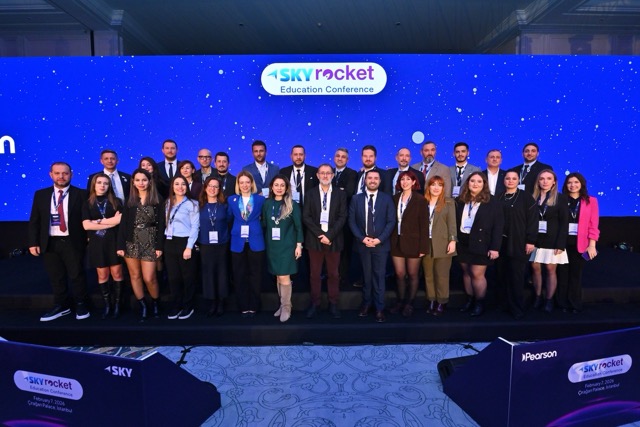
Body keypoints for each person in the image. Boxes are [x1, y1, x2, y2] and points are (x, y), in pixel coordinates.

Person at [28, 162, 90, 321]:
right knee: (56, 276)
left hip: (73, 241)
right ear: (51, 175)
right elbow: (35, 221)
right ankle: (61, 305)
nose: (61, 176)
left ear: (71, 174)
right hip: (50, 241)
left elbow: (88, 218)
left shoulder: (82, 194)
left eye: (65, 173)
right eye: (57, 173)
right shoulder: (41, 195)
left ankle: (81, 304)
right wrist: (33, 242)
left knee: (77, 274)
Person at [117, 169, 165, 321]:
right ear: (133, 182)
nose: (141, 183)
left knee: (149, 277)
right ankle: (143, 305)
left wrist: (159, 246)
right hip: (131, 242)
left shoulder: (157, 199)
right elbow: (123, 225)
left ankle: (156, 303)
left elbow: (161, 225)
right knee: (135, 275)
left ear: (149, 181)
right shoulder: (130, 200)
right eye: (137, 180)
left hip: (150, 241)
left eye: (144, 180)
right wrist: (120, 246)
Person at [349, 169, 395, 323]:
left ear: (380, 181)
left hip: (381, 245)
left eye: (376, 178)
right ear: (365, 180)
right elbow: (352, 221)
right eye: (370, 178)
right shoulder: (356, 199)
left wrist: (379, 239)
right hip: (363, 245)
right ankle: (366, 304)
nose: (373, 180)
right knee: (367, 276)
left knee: (379, 277)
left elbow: (391, 221)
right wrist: (362, 238)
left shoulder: (387, 199)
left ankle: (380, 308)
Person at [455, 171, 504, 316]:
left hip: (482, 242)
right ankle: (470, 300)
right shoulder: (460, 200)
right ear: (467, 183)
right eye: (472, 181)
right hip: (463, 241)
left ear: (484, 184)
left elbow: (498, 226)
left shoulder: (492, 201)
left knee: (477, 274)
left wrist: (495, 247)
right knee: (466, 273)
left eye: (479, 181)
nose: (475, 184)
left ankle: (479, 302)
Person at [302, 164, 347, 319]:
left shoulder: (340, 194)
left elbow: (343, 216)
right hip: (315, 240)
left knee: (333, 274)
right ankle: (315, 303)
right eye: (322, 173)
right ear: (317, 175)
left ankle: (333, 303)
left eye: (328, 173)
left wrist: (330, 235)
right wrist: (321, 235)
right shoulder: (310, 194)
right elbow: (306, 217)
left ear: (333, 176)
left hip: (334, 240)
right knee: (314, 274)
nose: (325, 176)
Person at [495, 171, 538, 319]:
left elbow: (533, 220)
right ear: (504, 181)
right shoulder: (498, 197)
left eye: (514, 178)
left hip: (518, 242)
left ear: (518, 180)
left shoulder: (526, 197)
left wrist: (531, 240)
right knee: (502, 275)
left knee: (516, 276)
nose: (510, 181)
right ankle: (503, 304)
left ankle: (517, 308)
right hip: (500, 243)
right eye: (508, 178)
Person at [262, 175, 304, 322]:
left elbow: (299, 227)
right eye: (276, 185)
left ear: (286, 188)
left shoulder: (292, 204)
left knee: (284, 276)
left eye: (282, 185)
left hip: (287, 246)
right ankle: (283, 304)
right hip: (272, 246)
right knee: (278, 276)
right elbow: (264, 224)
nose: (279, 188)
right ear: (271, 187)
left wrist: (299, 245)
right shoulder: (267, 204)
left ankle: (286, 307)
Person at [82, 173, 124, 319]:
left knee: (117, 273)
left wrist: (97, 222)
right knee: (103, 274)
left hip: (114, 241)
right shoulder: (87, 203)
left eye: (105, 183)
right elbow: (86, 225)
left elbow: (120, 221)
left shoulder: (116, 202)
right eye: (99, 182)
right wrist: (110, 222)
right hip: (97, 243)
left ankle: (117, 304)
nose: (102, 186)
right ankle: (107, 305)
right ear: (94, 184)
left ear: (109, 186)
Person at [557, 172, 599, 313]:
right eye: (569, 182)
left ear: (581, 184)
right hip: (562, 243)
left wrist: (592, 245)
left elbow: (593, 225)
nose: (573, 185)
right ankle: (562, 303)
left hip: (580, 244)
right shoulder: (560, 199)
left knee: (575, 275)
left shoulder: (591, 201)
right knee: (562, 274)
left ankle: (574, 304)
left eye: (576, 182)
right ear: (565, 185)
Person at [389, 171, 429, 317]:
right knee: (400, 274)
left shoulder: (420, 200)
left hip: (414, 243)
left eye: (408, 179)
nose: (405, 182)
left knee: (412, 274)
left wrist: (423, 247)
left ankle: (409, 303)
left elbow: (424, 225)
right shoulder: (394, 198)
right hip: (396, 241)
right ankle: (400, 301)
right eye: (402, 179)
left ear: (413, 182)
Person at [529, 169, 569, 313]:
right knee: (535, 269)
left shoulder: (560, 198)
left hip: (552, 240)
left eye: (548, 178)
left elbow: (564, 223)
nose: (545, 181)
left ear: (554, 182)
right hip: (535, 239)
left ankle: (549, 300)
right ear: (538, 181)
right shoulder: (532, 197)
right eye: (542, 178)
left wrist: (560, 244)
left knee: (550, 270)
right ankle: (538, 297)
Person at [227, 170, 266, 317]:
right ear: (238, 184)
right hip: (237, 241)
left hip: (256, 240)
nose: (244, 185)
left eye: (247, 182)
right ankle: (243, 305)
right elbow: (229, 218)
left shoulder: (260, 200)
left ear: (252, 184)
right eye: (241, 182)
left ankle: (254, 305)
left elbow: (264, 218)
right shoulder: (232, 200)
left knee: (256, 275)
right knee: (240, 275)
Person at [164, 175, 200, 320]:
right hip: (169, 242)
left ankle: (188, 306)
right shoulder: (168, 202)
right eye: (177, 184)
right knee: (173, 277)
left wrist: (189, 247)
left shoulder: (193, 204)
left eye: (183, 184)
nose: (180, 187)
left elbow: (195, 227)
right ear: (172, 187)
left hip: (185, 242)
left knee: (188, 277)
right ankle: (176, 305)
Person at [422, 175, 457, 316]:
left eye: (440, 185)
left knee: (442, 275)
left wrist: (453, 240)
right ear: (428, 187)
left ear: (443, 188)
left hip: (443, 243)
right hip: (425, 243)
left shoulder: (449, 202)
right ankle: (431, 300)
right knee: (428, 275)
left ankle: (442, 301)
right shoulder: (422, 202)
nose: (436, 188)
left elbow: (452, 223)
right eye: (433, 184)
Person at [198, 176, 230, 317]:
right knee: (208, 273)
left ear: (219, 189)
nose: (213, 189)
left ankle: (221, 301)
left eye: (216, 186)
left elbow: (229, 221)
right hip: (205, 244)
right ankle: (212, 302)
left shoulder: (224, 205)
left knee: (222, 273)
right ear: (205, 188)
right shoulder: (199, 206)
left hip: (222, 244)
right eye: (210, 186)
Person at [332, 147, 358, 286]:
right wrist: (340, 190)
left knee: (345, 248)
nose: (340, 158)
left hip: (345, 218)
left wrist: (332, 191)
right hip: (329, 219)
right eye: (338, 156)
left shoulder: (352, 173)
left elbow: (348, 192)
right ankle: (332, 274)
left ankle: (343, 276)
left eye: (343, 157)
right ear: (334, 158)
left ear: (347, 160)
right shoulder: (328, 172)